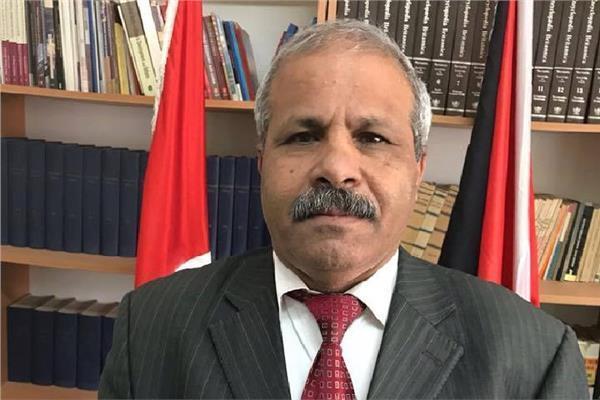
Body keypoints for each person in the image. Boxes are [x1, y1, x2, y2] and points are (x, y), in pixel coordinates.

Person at [99, 20, 588, 399]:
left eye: (372, 138)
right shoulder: (152, 327)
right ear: (263, 162)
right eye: (303, 136)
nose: (336, 168)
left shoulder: (534, 354)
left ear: (418, 167)